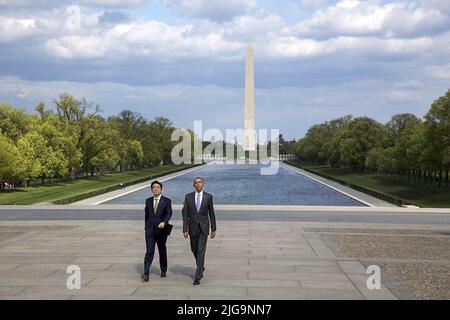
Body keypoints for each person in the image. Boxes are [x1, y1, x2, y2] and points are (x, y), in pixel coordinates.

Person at [182, 177, 217, 285]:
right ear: (194, 185)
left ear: (203, 184)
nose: (198, 184)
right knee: (194, 249)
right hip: (192, 228)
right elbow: (185, 214)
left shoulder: (208, 196)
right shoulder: (188, 197)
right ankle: (201, 266)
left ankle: (197, 276)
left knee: (201, 251)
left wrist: (213, 229)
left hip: (204, 228)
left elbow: (211, 213)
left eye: (200, 182)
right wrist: (185, 229)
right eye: (196, 183)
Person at [142, 180, 173, 282]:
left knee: (162, 250)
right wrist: (146, 227)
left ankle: (163, 270)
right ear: (151, 189)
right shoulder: (148, 201)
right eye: (154, 187)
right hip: (150, 230)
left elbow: (169, 213)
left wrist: (164, 222)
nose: (156, 189)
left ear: (161, 189)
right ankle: (146, 272)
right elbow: (146, 215)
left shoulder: (167, 201)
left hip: (161, 230)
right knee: (149, 251)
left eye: (157, 187)